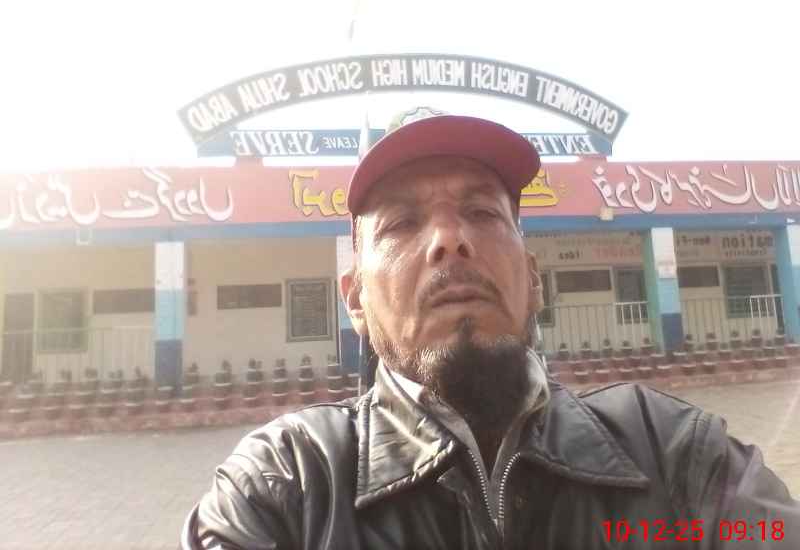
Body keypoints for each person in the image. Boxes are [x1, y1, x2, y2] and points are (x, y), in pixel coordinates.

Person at [181, 108, 798, 549]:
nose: (450, 239)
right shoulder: (286, 485)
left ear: (533, 278)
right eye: (401, 224)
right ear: (356, 301)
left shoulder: (673, 455)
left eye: (480, 211)